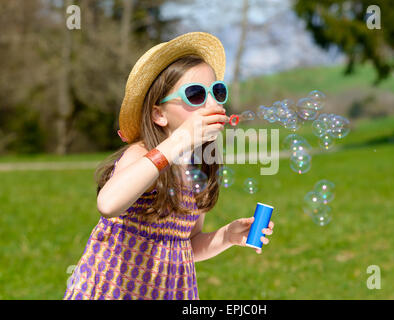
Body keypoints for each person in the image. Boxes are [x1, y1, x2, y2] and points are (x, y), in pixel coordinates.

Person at [63, 32, 274, 300]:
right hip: (115, 291)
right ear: (159, 114)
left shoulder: (197, 166)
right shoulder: (141, 155)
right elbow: (108, 204)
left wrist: (226, 236)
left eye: (217, 91)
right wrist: (178, 141)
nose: (213, 103)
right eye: (196, 95)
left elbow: (187, 246)